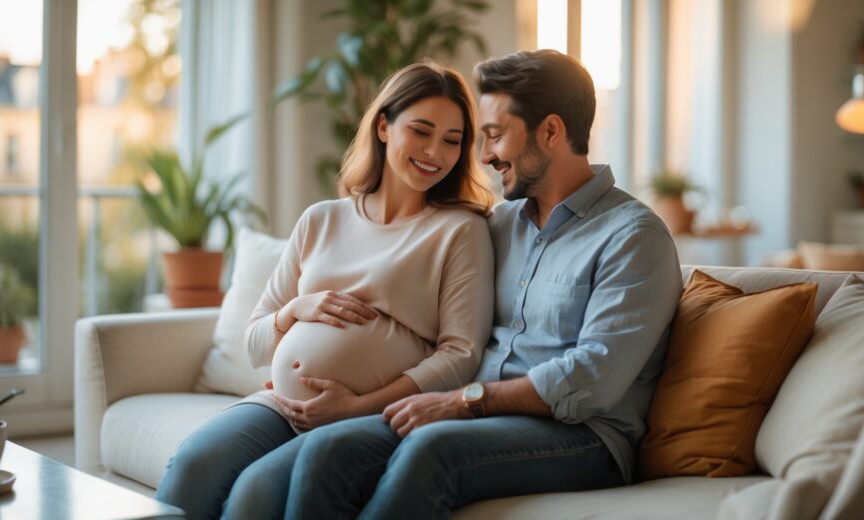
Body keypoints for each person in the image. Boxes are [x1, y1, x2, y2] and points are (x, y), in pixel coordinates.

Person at [276, 49, 684, 519]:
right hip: (475, 415)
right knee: (328, 450)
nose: (485, 155)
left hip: (582, 436)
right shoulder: (500, 224)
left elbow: (592, 380)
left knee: (432, 452)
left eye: (494, 136)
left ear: (550, 131)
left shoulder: (633, 236)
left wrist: (468, 400)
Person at [155, 61, 495, 519]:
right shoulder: (322, 219)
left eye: (452, 141)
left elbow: (460, 355)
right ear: (382, 126)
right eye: (421, 131)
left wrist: (356, 406)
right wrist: (295, 309)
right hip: (279, 404)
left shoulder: (460, 231)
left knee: (255, 495)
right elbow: (254, 341)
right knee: (194, 464)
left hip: (369, 417)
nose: (435, 151)